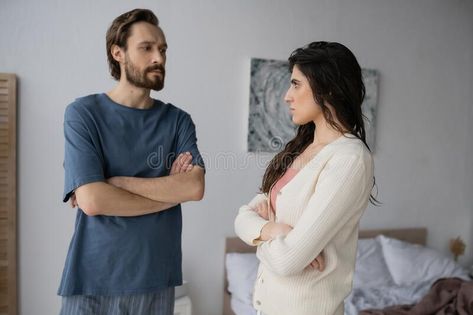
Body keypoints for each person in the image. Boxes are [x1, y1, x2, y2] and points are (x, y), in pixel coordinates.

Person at [58, 9, 205, 315]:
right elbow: (93, 200)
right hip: (92, 281)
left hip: (157, 282)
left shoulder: (178, 121)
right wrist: (168, 194)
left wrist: (117, 183)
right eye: (147, 48)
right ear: (118, 53)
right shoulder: (83, 114)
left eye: (162, 49)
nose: (159, 58)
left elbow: (193, 187)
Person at [234, 41, 375, 315]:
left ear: (328, 88)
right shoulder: (303, 148)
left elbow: (287, 261)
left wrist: (258, 233)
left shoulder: (349, 159)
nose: (287, 95)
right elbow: (242, 216)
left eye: (296, 84)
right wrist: (273, 230)